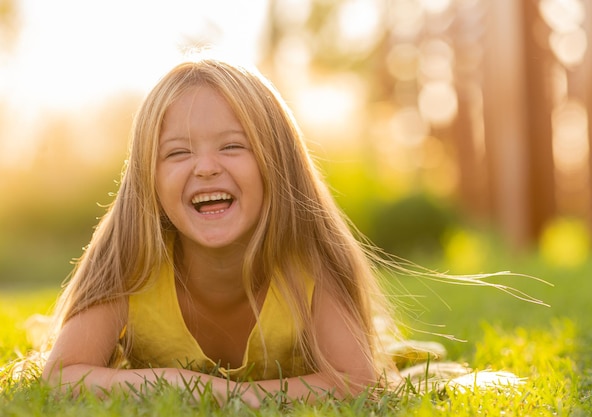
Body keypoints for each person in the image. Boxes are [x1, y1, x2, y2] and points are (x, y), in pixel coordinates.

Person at [41, 57, 400, 405]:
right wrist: (184, 384)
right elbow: (61, 377)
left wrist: (236, 397)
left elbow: (359, 385)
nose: (206, 168)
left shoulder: (308, 262)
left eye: (232, 146)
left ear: (277, 163)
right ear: (148, 179)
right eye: (178, 153)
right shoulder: (131, 261)